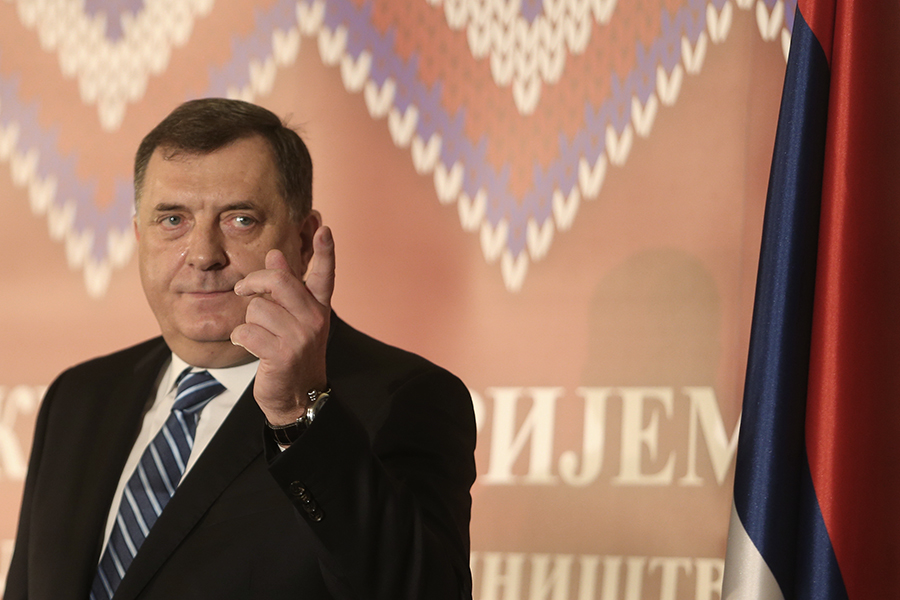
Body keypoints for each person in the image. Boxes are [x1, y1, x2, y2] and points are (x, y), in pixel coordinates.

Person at [6, 98, 477, 599]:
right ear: (139, 236)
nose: (203, 255)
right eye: (173, 220)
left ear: (304, 240)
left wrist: (299, 414)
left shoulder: (404, 399)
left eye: (240, 219)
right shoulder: (78, 396)